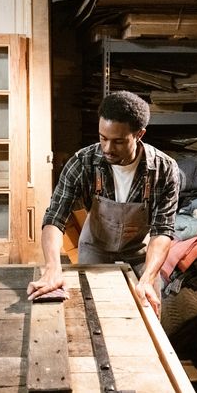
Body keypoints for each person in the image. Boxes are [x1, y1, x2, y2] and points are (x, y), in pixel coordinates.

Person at [27, 90, 179, 316]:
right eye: (103, 138)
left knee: (147, 314)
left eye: (118, 141)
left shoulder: (163, 170)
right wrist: (52, 267)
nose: (107, 148)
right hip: (95, 246)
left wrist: (148, 277)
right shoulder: (83, 163)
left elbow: (162, 230)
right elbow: (55, 218)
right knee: (88, 313)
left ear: (139, 134)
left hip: (139, 253)